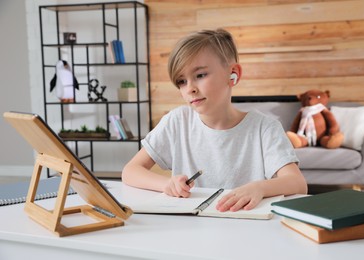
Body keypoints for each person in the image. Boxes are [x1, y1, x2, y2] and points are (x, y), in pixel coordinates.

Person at [122, 28, 307, 212]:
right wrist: (167, 184)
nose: (190, 89)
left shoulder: (264, 128)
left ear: (233, 74)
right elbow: (130, 171)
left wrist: (258, 188)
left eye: (200, 75)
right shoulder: (177, 121)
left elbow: (298, 183)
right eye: (181, 81)